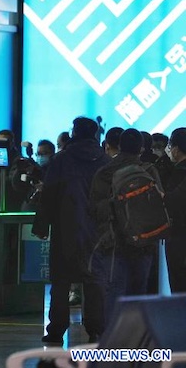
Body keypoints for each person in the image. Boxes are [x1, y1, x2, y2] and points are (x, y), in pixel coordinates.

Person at [34, 117, 110, 344]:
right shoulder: (105, 160)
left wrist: (41, 225)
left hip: (65, 228)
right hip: (96, 230)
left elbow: (49, 195)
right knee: (94, 280)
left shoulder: (61, 160)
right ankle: (96, 329)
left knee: (60, 281)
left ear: (74, 133)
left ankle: (56, 329)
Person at [89, 128, 160, 323]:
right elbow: (160, 205)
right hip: (143, 241)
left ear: (119, 146)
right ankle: (137, 337)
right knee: (139, 291)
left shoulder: (105, 172)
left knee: (115, 290)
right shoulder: (149, 171)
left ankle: (114, 338)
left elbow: (95, 208)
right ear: (142, 148)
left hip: (113, 241)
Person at [164, 128, 186, 292]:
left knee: (179, 286)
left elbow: (173, 201)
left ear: (177, 149)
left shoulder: (178, 172)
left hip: (179, 236)